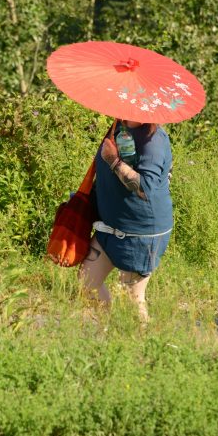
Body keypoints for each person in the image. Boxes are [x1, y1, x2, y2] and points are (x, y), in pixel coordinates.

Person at [79, 120, 173, 323]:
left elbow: (144, 188)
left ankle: (143, 350)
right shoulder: (119, 126)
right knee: (87, 281)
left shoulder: (153, 140)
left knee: (133, 298)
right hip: (111, 225)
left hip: (140, 233)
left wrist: (113, 161)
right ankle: (114, 333)